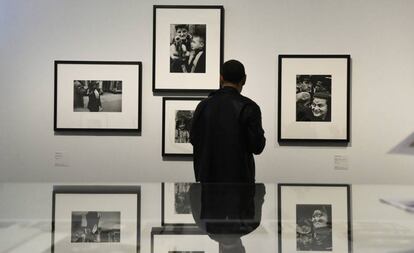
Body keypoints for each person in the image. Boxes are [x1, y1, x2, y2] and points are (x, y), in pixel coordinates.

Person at [190, 60, 266, 182]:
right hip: (240, 182)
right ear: (244, 79)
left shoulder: (203, 106)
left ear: (221, 78)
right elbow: (257, 147)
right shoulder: (249, 107)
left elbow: (194, 139)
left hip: (208, 181)